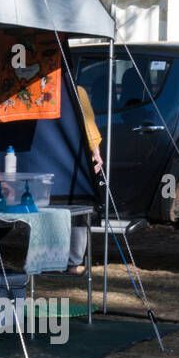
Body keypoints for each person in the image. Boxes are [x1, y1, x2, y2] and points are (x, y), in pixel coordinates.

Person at [68, 86, 106, 274]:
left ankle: (47, 259)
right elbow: (88, 123)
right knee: (78, 210)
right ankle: (73, 263)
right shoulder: (76, 90)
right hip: (77, 158)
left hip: (46, 158)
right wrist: (96, 152)